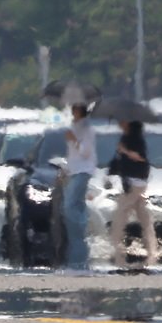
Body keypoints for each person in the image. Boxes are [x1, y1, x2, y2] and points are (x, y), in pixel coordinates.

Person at [110, 120, 159, 268]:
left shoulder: (135, 140)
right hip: (134, 183)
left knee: (119, 218)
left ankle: (118, 256)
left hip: (135, 184)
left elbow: (140, 157)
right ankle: (152, 254)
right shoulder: (126, 139)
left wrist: (124, 151)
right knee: (144, 218)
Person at [61, 101, 98, 271]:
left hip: (83, 172)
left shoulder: (87, 130)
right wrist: (66, 170)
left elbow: (85, 152)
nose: (72, 114)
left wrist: (74, 140)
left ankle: (81, 239)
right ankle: (78, 252)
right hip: (75, 171)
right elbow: (73, 155)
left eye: (74, 111)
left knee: (69, 207)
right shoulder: (74, 128)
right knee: (74, 207)